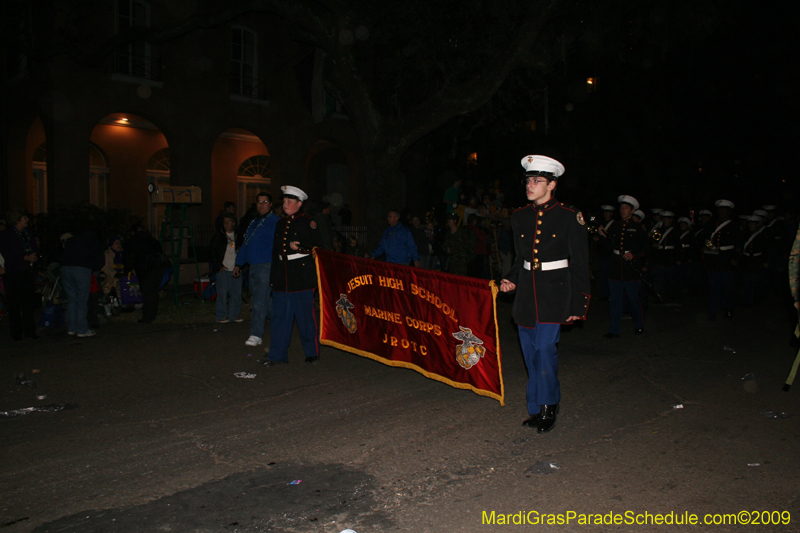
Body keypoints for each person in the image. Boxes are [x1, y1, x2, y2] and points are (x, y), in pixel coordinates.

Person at [500, 155, 590, 434]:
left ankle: (550, 405)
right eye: (528, 180)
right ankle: (536, 407)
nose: (530, 185)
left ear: (551, 185)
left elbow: (580, 262)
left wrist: (579, 303)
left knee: (545, 350)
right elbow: (520, 259)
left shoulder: (568, 215)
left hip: (556, 295)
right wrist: (511, 279)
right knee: (529, 353)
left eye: (537, 180)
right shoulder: (519, 216)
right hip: (527, 295)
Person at [260, 185, 322, 366]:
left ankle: (312, 352)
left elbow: (317, 247)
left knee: (305, 317)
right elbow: (276, 253)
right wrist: (273, 278)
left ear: (299, 203)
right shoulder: (280, 223)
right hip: (282, 277)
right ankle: (277, 355)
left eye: (290, 201)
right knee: (279, 318)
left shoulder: (307, 222)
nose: (285, 204)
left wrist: (300, 247)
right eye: (284, 200)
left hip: (301, 276)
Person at [597, 195, 650, 338]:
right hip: (615, 267)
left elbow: (646, 248)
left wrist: (635, 254)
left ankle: (639, 325)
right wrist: (603, 236)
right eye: (621, 207)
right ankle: (614, 330)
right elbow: (609, 248)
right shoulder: (615, 226)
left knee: (633, 299)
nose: (623, 210)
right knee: (614, 300)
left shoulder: (638, 228)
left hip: (630, 269)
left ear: (632, 211)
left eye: (626, 208)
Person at [234, 192, 279, 346]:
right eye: (259, 202)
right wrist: (238, 264)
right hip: (253, 266)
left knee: (259, 301)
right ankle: (281, 320)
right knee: (264, 300)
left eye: (265, 201)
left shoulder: (275, 222)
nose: (261, 205)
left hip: (267, 266)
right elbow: (246, 244)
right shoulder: (253, 222)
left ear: (271, 204)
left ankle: (256, 334)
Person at [0, 208, 39, 340]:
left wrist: (34, 256)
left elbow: (34, 247)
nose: (27, 220)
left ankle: (30, 331)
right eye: (24, 218)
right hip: (13, 272)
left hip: (27, 272)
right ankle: (16, 333)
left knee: (29, 303)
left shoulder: (28, 233)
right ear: (17, 220)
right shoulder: (7, 234)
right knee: (15, 304)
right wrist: (24, 257)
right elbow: (8, 253)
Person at [60, 230, 105, 337]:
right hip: (81, 269)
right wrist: (93, 270)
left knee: (72, 300)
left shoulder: (73, 240)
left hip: (65, 268)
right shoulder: (94, 242)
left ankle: (71, 328)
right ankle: (82, 329)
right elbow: (100, 260)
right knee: (81, 300)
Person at [124, 224, 170, 324]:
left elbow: (131, 257)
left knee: (147, 292)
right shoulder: (152, 240)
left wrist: (127, 269)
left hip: (147, 268)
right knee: (153, 291)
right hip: (159, 267)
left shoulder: (134, 241)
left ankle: (148, 316)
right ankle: (152, 314)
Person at [700, 199, 738, 320]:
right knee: (713, 288)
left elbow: (739, 244)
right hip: (713, 261)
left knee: (728, 288)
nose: (722, 212)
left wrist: (736, 258)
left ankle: (728, 308)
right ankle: (712, 310)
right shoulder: (711, 224)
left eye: (725, 210)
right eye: (720, 210)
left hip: (727, 260)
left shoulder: (734, 226)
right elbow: (704, 238)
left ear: (729, 212)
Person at [210, 213, 244, 323]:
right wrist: (219, 267)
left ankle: (234, 315)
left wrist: (240, 266)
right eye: (225, 222)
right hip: (224, 269)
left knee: (236, 294)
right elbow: (212, 253)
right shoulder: (218, 236)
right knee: (222, 294)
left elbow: (243, 251)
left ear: (234, 223)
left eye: (229, 222)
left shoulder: (239, 236)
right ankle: (221, 315)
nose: (227, 224)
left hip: (236, 269)